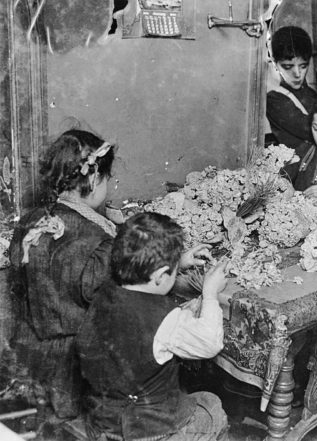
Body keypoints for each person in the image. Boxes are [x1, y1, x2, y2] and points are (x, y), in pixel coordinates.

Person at [6, 129, 212, 422]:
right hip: (75, 373)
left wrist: (178, 260)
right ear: (92, 179)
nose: (109, 184)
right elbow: (132, 297)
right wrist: (174, 271)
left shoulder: (31, 222)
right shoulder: (99, 244)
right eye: (107, 177)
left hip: (30, 358)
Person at [77, 212, 229, 441]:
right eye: (173, 271)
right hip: (148, 433)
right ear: (159, 276)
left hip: (103, 420)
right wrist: (210, 294)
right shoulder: (164, 320)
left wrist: (176, 262)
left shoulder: (104, 292)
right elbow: (210, 344)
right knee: (212, 405)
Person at [266, 26, 317, 151]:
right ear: (274, 62)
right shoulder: (274, 99)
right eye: (288, 67)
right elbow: (313, 129)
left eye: (303, 66)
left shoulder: (309, 93)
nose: (297, 74)